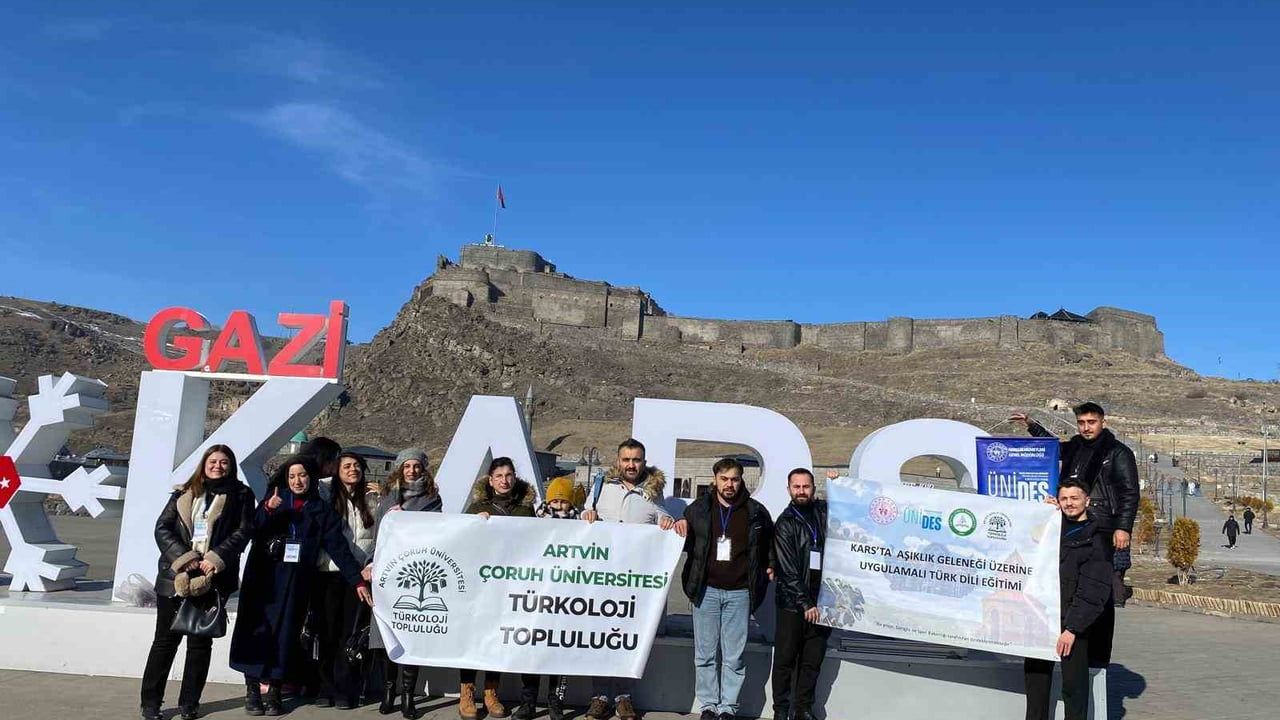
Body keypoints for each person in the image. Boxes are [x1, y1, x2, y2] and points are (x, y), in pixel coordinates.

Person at [230, 455, 372, 717]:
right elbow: (252, 529)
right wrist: (268, 510)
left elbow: (338, 549)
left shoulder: (321, 509)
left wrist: (357, 581)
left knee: (285, 636)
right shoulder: (275, 500)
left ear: (312, 478)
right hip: (265, 582)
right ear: (286, 478)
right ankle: (252, 688)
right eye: (293, 476)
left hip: (295, 585)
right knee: (256, 632)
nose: (298, 481)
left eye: (303, 475)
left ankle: (274, 690)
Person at [1011, 402, 1136, 664]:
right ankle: (1068, 643)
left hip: (1102, 526)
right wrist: (1032, 426)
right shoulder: (1075, 447)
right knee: (1070, 585)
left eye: (1091, 422)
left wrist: (1123, 527)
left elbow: (1129, 492)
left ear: (1103, 421)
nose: (1086, 427)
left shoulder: (1117, 452)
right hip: (1070, 524)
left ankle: (1097, 659)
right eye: (1082, 422)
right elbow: (1053, 447)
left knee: (1099, 590)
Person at [140, 445, 256, 720]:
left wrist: (216, 558)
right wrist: (185, 557)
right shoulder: (183, 493)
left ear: (232, 466)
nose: (218, 466)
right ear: (204, 464)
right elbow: (162, 528)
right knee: (164, 642)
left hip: (213, 579)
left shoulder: (241, 495)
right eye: (213, 461)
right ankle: (150, 703)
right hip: (174, 577)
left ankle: (190, 703)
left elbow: (244, 531)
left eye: (224, 462)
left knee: (200, 644)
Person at [582, 439, 678, 720]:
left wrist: (666, 524)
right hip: (602, 578)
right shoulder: (602, 488)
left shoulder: (653, 492)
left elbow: (665, 522)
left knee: (627, 639)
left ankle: (624, 697)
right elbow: (586, 518)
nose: (631, 465)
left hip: (634, 583)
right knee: (598, 637)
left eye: (636, 459)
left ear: (643, 461)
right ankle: (599, 697)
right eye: (626, 459)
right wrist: (587, 515)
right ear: (618, 460)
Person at [676, 458, 774, 720]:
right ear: (715, 480)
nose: (729, 484)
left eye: (735, 479)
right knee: (705, 654)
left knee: (734, 656)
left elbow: (769, 544)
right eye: (724, 479)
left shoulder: (756, 512)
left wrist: (771, 565)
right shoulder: (698, 509)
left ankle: (728, 707)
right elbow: (683, 539)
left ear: (741, 480)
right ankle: (708, 705)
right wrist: (677, 524)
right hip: (706, 591)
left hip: (740, 593)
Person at [1024, 480, 1115, 720]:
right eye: (1064, 498)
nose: (1069, 503)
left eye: (1074, 498)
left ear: (1087, 500)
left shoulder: (1096, 538)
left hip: (1072, 624)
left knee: (1074, 689)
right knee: (1036, 684)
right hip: (1042, 617)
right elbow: (1029, 541)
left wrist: (1072, 629)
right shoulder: (1054, 527)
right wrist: (1042, 514)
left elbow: (1093, 589)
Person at [366, 448, 442, 718]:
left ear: (423, 468)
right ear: (400, 468)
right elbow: (378, 535)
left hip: (416, 571)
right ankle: (390, 690)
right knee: (387, 634)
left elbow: (436, 533)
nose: (412, 470)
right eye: (407, 465)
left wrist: (407, 517)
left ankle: (408, 693)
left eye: (416, 465)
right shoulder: (387, 497)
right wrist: (370, 563)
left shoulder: (433, 498)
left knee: (412, 633)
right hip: (389, 573)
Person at [460, 457, 537, 719]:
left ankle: (491, 692)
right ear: (490, 480)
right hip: (480, 585)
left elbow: (536, 542)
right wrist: (474, 524)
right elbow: (461, 540)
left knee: (497, 637)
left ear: (515, 477)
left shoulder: (526, 509)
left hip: (510, 584)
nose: (505, 480)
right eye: (499, 476)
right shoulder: (477, 507)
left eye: (509, 475)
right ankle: (467, 692)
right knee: (474, 637)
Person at [311, 451, 380, 709]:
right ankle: (324, 687)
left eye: (357, 466)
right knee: (326, 632)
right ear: (336, 471)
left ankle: (345, 689)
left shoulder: (373, 499)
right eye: (346, 466)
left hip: (359, 576)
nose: (353, 470)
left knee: (349, 635)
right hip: (328, 573)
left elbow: (381, 535)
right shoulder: (326, 495)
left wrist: (370, 564)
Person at [770, 468, 831, 720]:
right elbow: (788, 568)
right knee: (785, 660)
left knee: (812, 660)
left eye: (806, 486)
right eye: (797, 487)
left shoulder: (823, 513)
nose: (802, 491)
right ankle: (781, 710)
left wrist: (838, 483)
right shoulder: (785, 522)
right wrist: (805, 602)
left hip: (824, 601)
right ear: (789, 490)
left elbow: (851, 505)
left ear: (814, 489)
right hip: (793, 604)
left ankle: (803, 708)